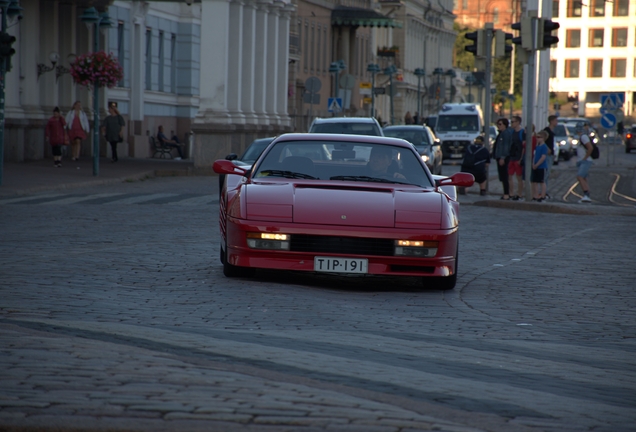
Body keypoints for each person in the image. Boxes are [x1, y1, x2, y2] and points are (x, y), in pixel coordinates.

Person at [492, 118, 512, 200]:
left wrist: (502, 158)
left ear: (505, 125)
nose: (498, 126)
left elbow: (506, 147)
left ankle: (507, 194)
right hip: (499, 157)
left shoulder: (505, 134)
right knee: (502, 176)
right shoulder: (501, 133)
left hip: (503, 157)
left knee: (504, 176)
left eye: (500, 124)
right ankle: (506, 193)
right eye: (497, 124)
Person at [575, 122, 594, 203]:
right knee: (584, 178)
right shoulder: (581, 137)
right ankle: (586, 195)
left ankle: (586, 194)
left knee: (579, 176)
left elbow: (590, 148)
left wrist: (584, 158)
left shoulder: (583, 137)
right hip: (582, 160)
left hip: (585, 161)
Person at [508, 115, 525, 200]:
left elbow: (524, 147)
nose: (511, 123)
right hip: (511, 157)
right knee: (509, 176)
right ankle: (511, 193)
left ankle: (520, 194)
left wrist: (521, 158)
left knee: (519, 177)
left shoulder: (522, 132)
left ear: (518, 122)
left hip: (518, 158)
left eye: (513, 122)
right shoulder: (511, 132)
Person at [542, 115, 558, 199]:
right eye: (555, 121)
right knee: (546, 173)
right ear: (551, 121)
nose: (557, 122)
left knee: (548, 174)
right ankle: (543, 192)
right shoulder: (547, 130)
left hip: (551, 154)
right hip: (547, 154)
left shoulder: (552, 130)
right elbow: (541, 140)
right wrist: (547, 149)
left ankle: (545, 191)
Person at [531, 130, 549, 202]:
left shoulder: (544, 147)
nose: (537, 139)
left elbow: (543, 157)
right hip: (535, 166)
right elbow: (534, 156)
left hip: (541, 167)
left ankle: (543, 195)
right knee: (535, 182)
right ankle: (536, 195)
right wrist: (533, 164)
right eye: (537, 137)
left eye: (539, 137)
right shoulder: (537, 146)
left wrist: (537, 164)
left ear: (543, 138)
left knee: (542, 181)